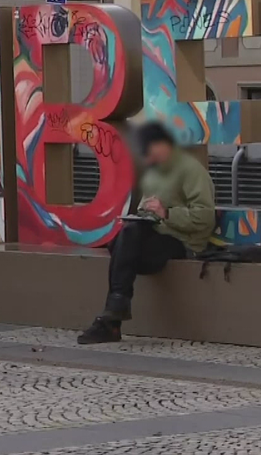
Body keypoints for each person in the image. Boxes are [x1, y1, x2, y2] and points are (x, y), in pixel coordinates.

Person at [77, 121, 216, 344]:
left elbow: (205, 217)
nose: (147, 159)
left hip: (183, 241)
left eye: (149, 152)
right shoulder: (154, 174)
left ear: (163, 146)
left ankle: (112, 318)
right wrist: (143, 215)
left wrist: (167, 213)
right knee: (123, 237)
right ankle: (113, 315)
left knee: (125, 244)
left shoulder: (191, 171)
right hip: (155, 235)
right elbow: (145, 207)